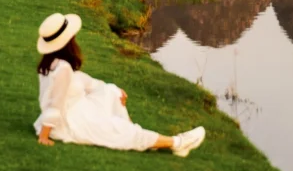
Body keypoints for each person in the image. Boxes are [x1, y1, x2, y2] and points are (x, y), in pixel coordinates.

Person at [34, 12, 205, 157]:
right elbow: (54, 104)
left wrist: (115, 92)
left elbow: (87, 82)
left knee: (110, 93)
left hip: (77, 111)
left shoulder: (52, 64)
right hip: (73, 121)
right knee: (116, 129)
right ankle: (177, 143)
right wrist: (44, 136)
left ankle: (140, 136)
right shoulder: (63, 69)